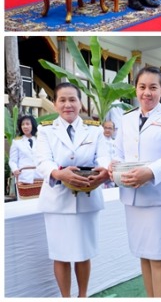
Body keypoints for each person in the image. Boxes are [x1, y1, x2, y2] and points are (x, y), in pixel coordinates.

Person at [108, 66, 161, 298]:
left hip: (158, 197)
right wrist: (115, 167)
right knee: (142, 253)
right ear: (136, 89)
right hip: (132, 197)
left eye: (153, 87)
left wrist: (149, 172)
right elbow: (118, 151)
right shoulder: (127, 118)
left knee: (158, 256)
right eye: (142, 87)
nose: (147, 93)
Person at [35, 82, 109, 297]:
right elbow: (42, 161)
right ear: (55, 104)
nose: (68, 105)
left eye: (72, 99)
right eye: (62, 100)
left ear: (80, 103)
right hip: (57, 201)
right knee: (61, 254)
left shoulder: (94, 131)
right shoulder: (46, 131)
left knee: (84, 253)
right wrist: (58, 173)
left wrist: (102, 170)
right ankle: (66, 298)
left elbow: (104, 157)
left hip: (87, 197)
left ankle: (83, 296)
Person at [10, 114, 42, 186]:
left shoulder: (40, 139)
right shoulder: (16, 142)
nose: (25, 126)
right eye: (23, 124)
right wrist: (15, 169)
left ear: (32, 125)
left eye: (27, 124)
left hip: (40, 176)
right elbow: (12, 160)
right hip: (24, 177)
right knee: (25, 197)